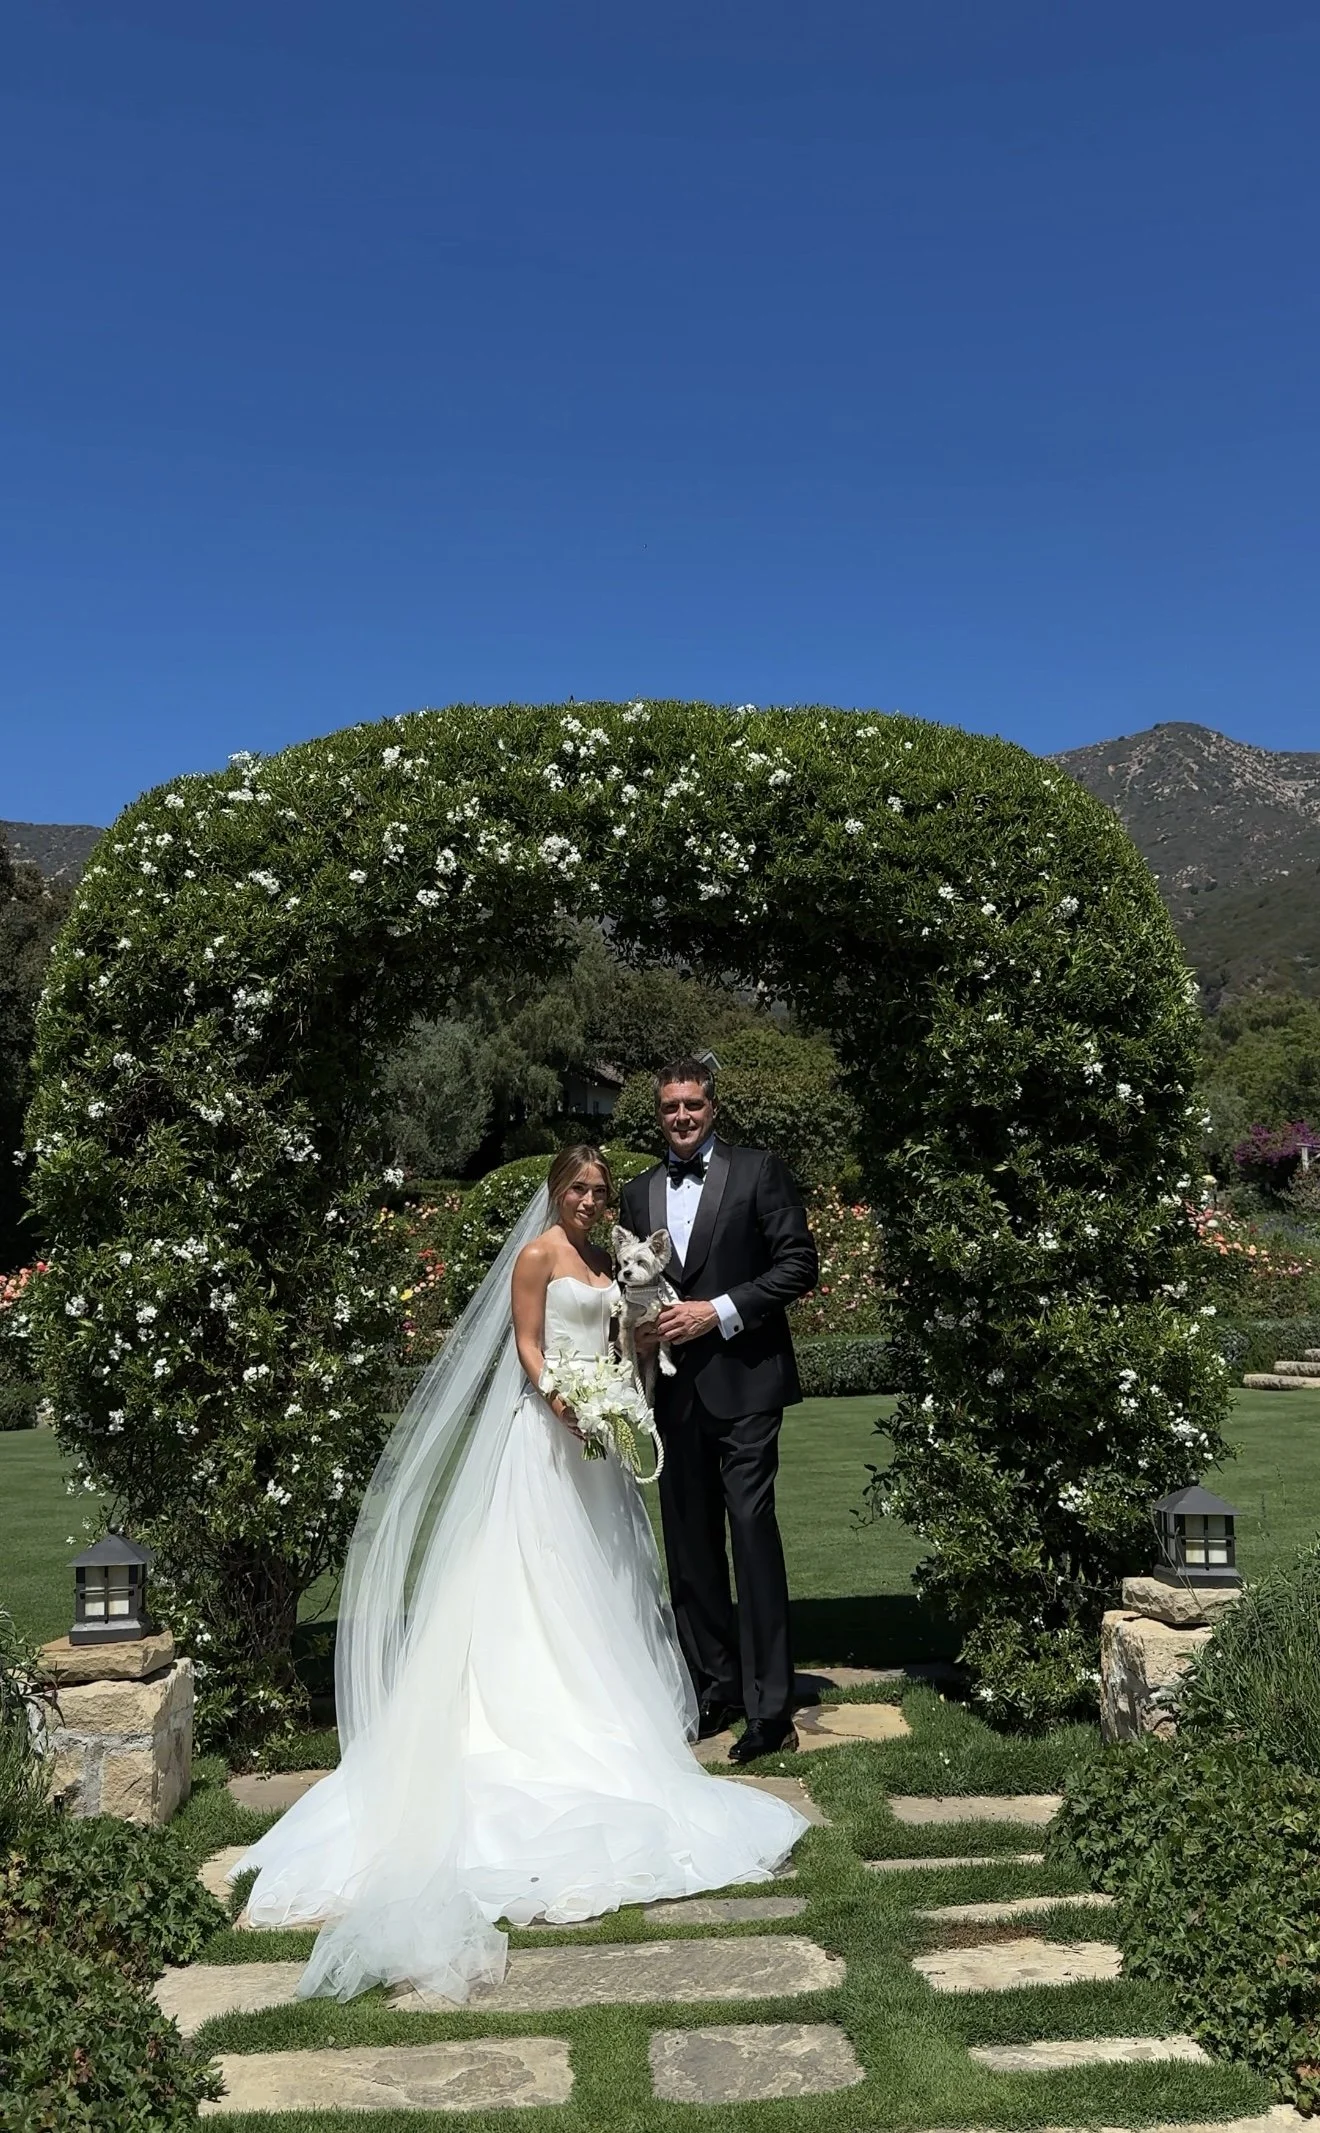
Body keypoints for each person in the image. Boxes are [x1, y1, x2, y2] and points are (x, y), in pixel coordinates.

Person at [231, 1145, 807, 2004]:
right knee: (536, 1582)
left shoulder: (610, 1258)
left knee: (605, 1584)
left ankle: (614, 1709)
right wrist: (568, 1406)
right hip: (548, 1443)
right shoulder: (540, 1256)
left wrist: (626, 1385)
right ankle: (534, 1712)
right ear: (554, 1193)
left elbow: (623, 1336)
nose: (586, 1199)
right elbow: (531, 1349)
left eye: (597, 1190)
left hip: (601, 1451)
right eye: (576, 1188)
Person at [619, 1060, 819, 1763]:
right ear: (659, 1112)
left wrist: (719, 1311)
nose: (681, 1116)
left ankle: (770, 1709)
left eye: (692, 1104)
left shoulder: (760, 1171)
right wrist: (639, 1332)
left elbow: (799, 1264)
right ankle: (714, 1686)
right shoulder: (637, 1191)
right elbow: (631, 1291)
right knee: (690, 1547)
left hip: (747, 1386)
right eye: (670, 1106)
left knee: (751, 1533)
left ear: (713, 1106)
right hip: (672, 1395)